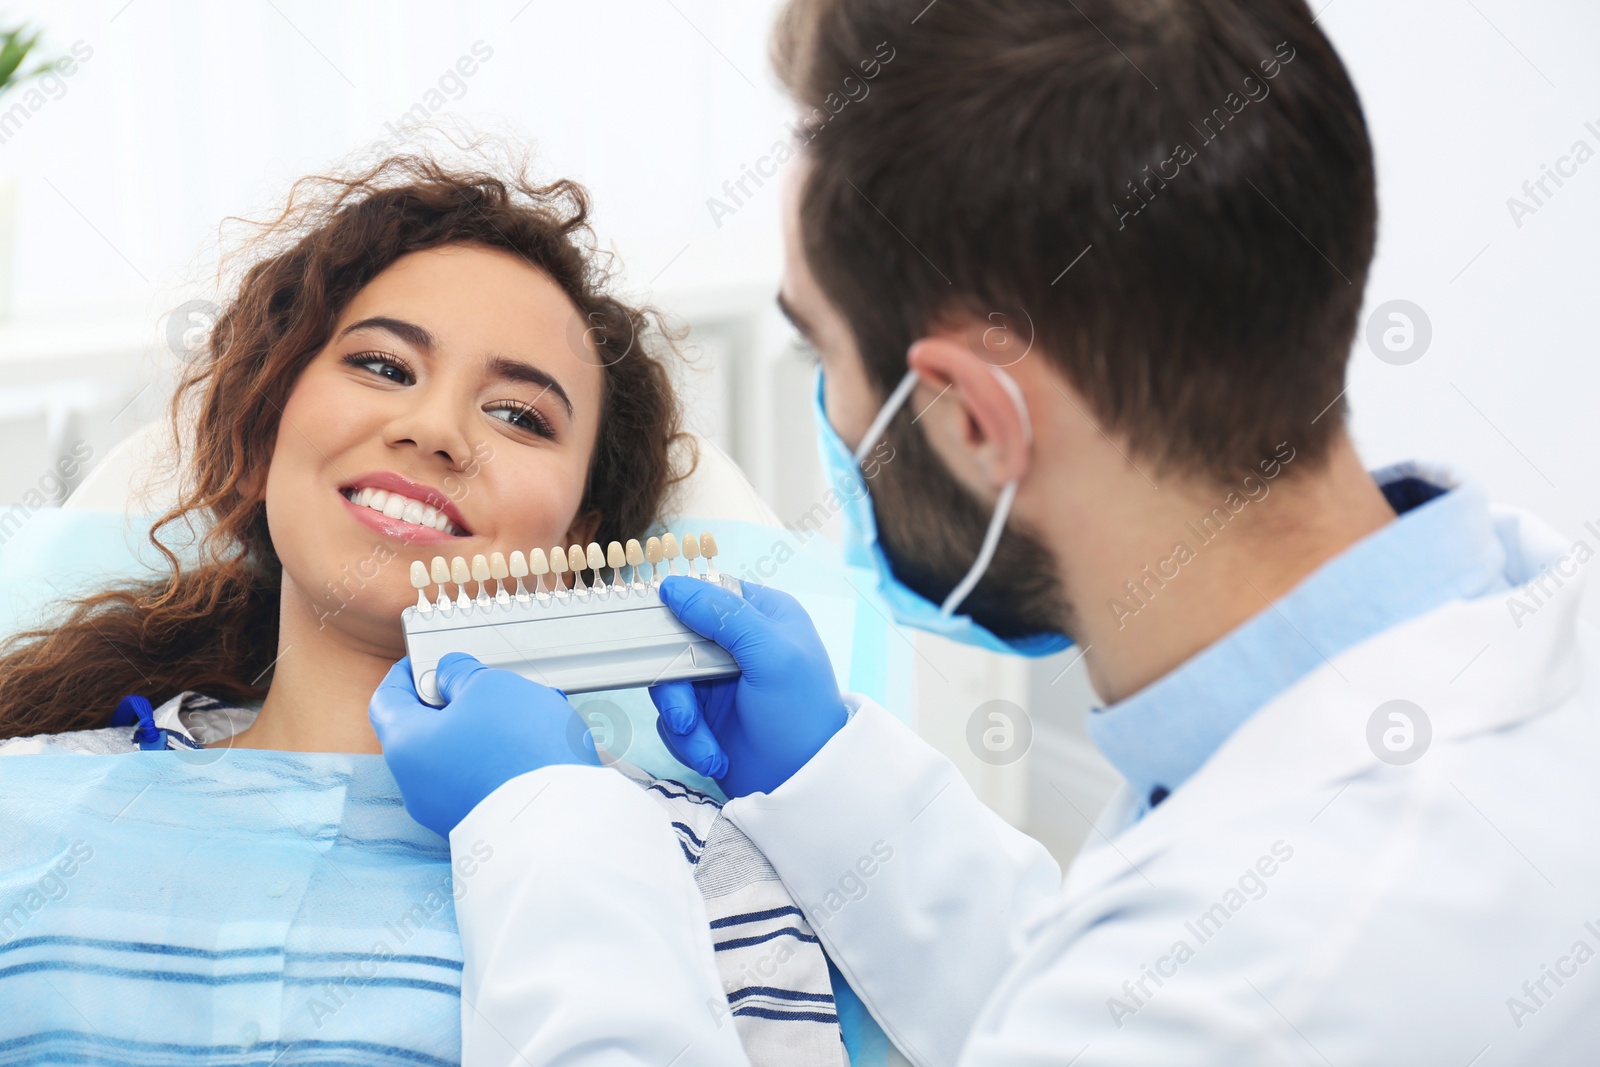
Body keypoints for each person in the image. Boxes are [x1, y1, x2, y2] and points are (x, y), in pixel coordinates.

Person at [370, 1, 1600, 1063]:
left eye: (824, 352)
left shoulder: (1267, 983)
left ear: (967, 415)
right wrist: (829, 782)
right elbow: (1078, 978)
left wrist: (547, 826)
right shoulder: (1521, 647)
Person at [0, 153, 843, 1066]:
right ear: (257, 437)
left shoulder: (697, 863)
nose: (437, 430)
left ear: (574, 548)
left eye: (520, 415)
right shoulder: (28, 799)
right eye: (381, 363)